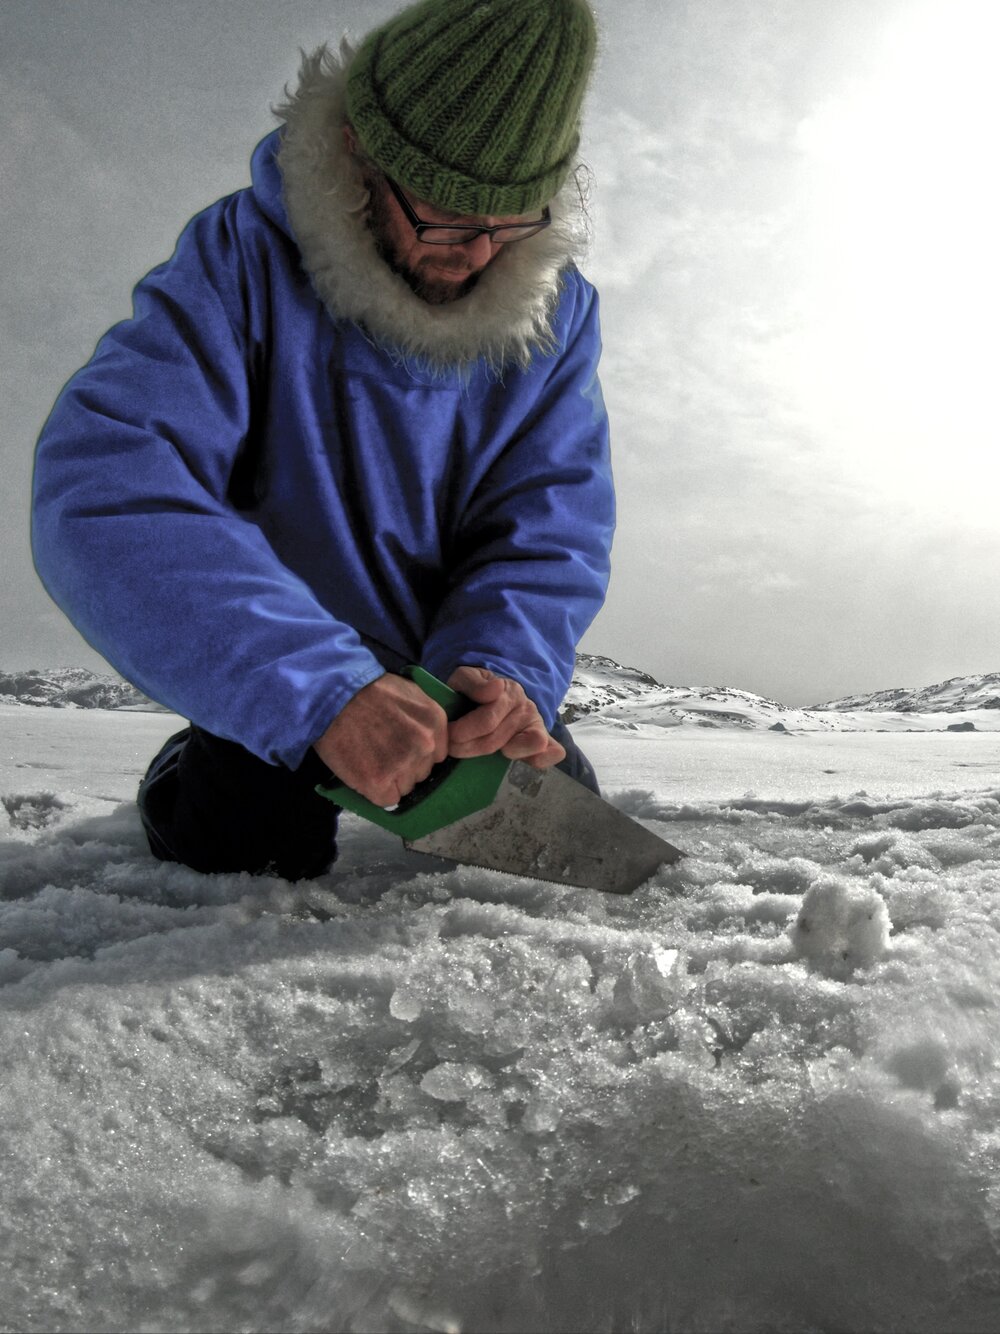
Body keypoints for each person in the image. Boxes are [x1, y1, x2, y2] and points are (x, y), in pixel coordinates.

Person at [31, 0, 615, 881]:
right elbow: (111, 483)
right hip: (287, 657)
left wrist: (501, 669)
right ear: (358, 154)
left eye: (509, 224)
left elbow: (547, 526)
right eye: (447, 218)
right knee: (245, 845)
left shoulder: (556, 318)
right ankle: (186, 773)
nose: (475, 256)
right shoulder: (241, 259)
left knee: (553, 840)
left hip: (448, 675)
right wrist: (318, 690)